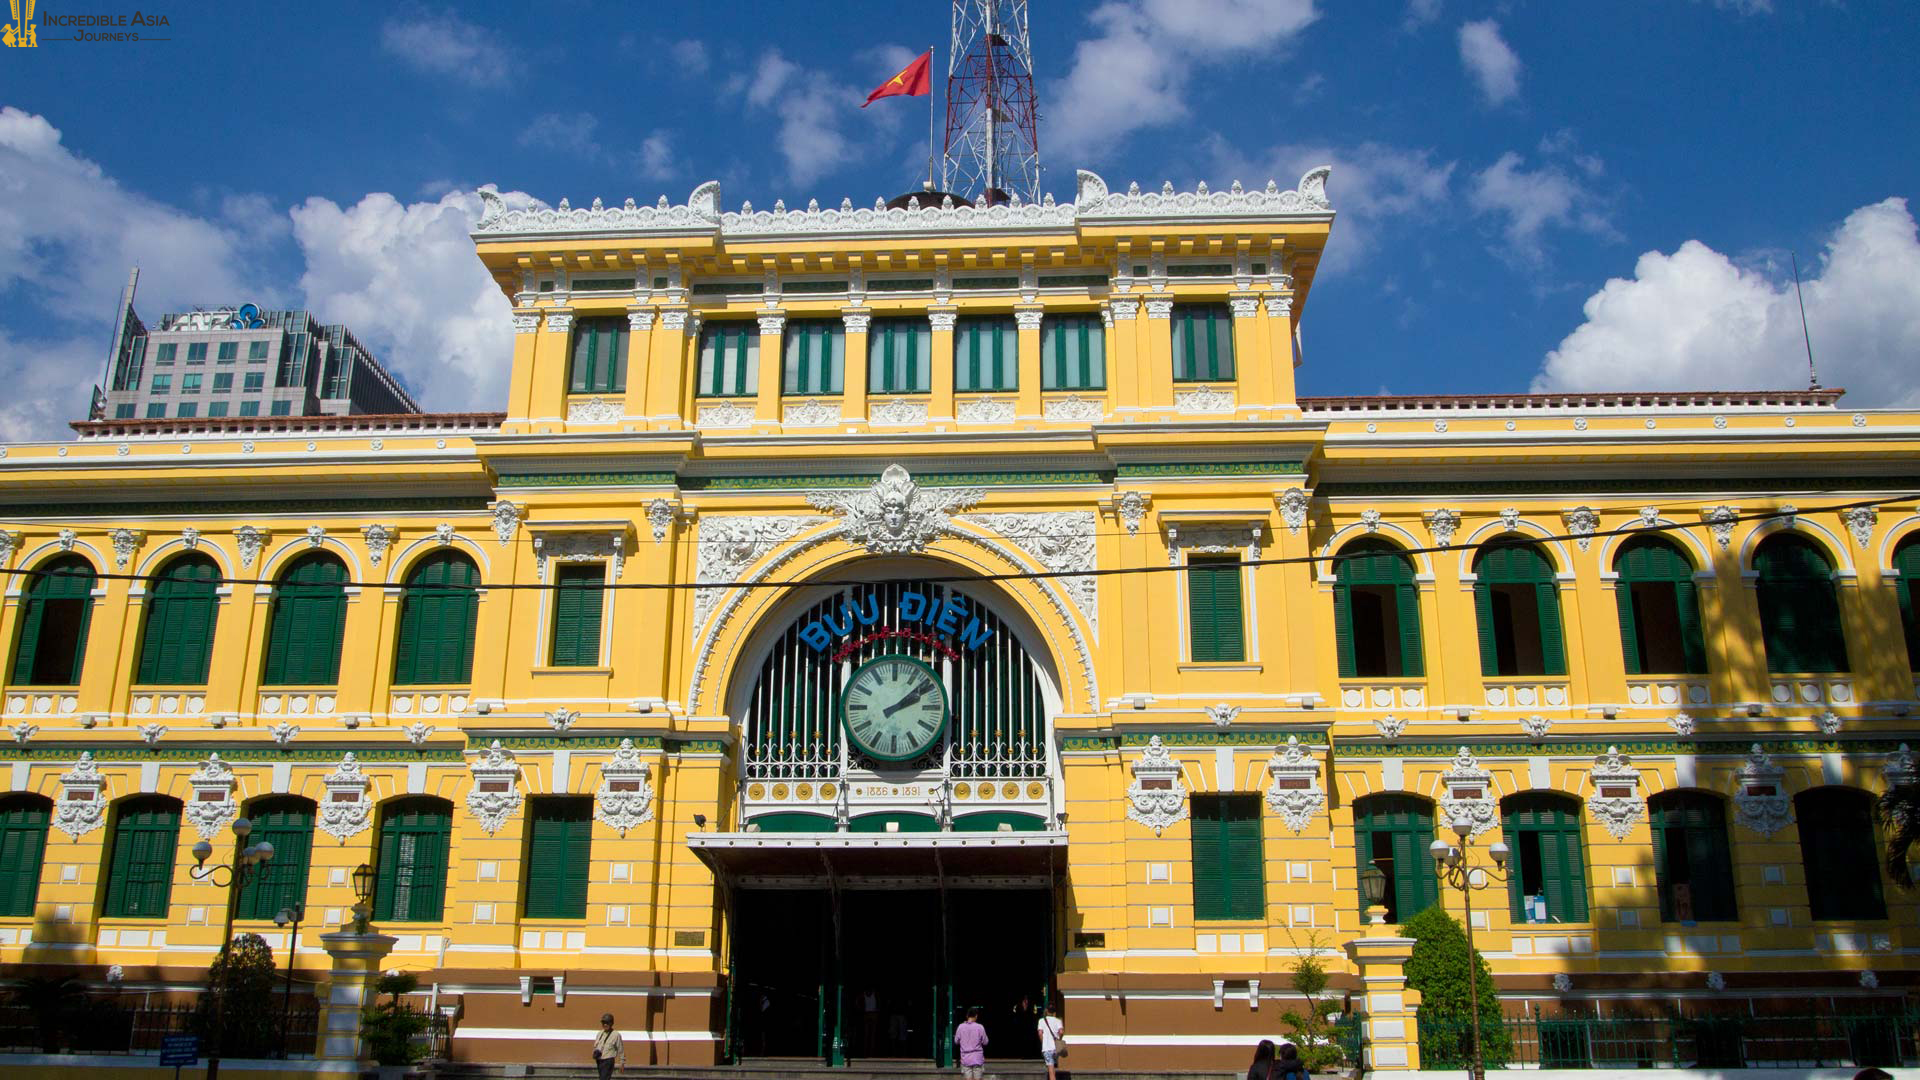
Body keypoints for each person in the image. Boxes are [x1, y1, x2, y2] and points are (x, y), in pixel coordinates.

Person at [955, 1007, 989, 1080]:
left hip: (965, 1058)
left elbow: (956, 1041)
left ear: (967, 1016)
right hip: (977, 1058)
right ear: (976, 1016)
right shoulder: (980, 1027)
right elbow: (985, 1042)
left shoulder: (960, 1027)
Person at [592, 1013, 625, 1079]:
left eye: (607, 1023)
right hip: (599, 1060)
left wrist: (622, 1063)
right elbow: (596, 1045)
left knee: (604, 1078)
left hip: (608, 1060)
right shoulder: (600, 1033)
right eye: (603, 1023)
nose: (605, 1025)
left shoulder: (616, 1035)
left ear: (611, 1023)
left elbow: (620, 1049)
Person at [1038, 1002, 1066, 1080]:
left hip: (1047, 1047)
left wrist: (1043, 1042)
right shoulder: (1058, 1020)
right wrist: (1058, 1038)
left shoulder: (1041, 1021)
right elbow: (1061, 1032)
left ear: (1046, 1010)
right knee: (1052, 1067)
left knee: (1050, 1069)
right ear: (1054, 1011)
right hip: (1055, 1048)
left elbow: (1040, 1033)